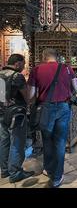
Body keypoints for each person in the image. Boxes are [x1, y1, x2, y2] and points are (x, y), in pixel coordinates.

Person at [28, 48, 77, 188]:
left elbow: (30, 94)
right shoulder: (67, 68)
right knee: (60, 141)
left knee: (47, 139)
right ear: (57, 57)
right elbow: (76, 88)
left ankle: (49, 169)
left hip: (46, 108)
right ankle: (57, 177)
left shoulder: (36, 70)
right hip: (63, 107)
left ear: (44, 56)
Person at [0, 54, 35, 183]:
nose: (24, 66)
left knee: (4, 141)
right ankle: (15, 172)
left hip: (1, 114)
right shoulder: (17, 76)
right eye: (23, 63)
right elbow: (27, 97)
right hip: (16, 115)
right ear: (17, 64)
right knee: (17, 142)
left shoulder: (0, 74)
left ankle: (4, 170)